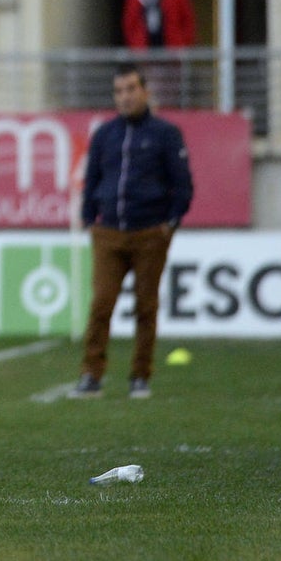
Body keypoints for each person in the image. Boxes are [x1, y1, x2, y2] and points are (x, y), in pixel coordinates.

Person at [69, 63, 193, 401]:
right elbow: (91, 179)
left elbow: (182, 184)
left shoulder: (166, 134)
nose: (125, 97)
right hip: (108, 232)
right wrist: (88, 216)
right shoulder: (105, 134)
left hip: (150, 233)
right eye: (119, 91)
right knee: (101, 304)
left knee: (145, 306)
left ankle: (140, 375)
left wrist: (170, 222)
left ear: (145, 91)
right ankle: (91, 374)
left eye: (131, 89)